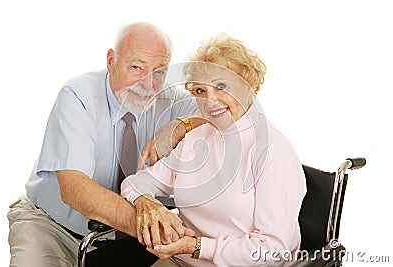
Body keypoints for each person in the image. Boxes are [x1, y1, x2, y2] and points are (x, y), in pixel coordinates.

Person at [7, 22, 201, 267]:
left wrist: (181, 125)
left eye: (159, 71)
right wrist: (149, 221)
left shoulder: (170, 99)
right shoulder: (78, 95)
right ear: (111, 60)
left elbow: (231, 116)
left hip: (125, 237)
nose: (148, 83)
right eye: (136, 67)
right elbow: (74, 188)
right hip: (52, 226)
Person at [121, 34, 307, 266]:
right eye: (200, 91)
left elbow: (272, 251)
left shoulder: (273, 151)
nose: (210, 101)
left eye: (221, 86)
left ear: (247, 85)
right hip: (184, 260)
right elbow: (137, 183)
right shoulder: (197, 138)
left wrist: (198, 247)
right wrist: (145, 202)